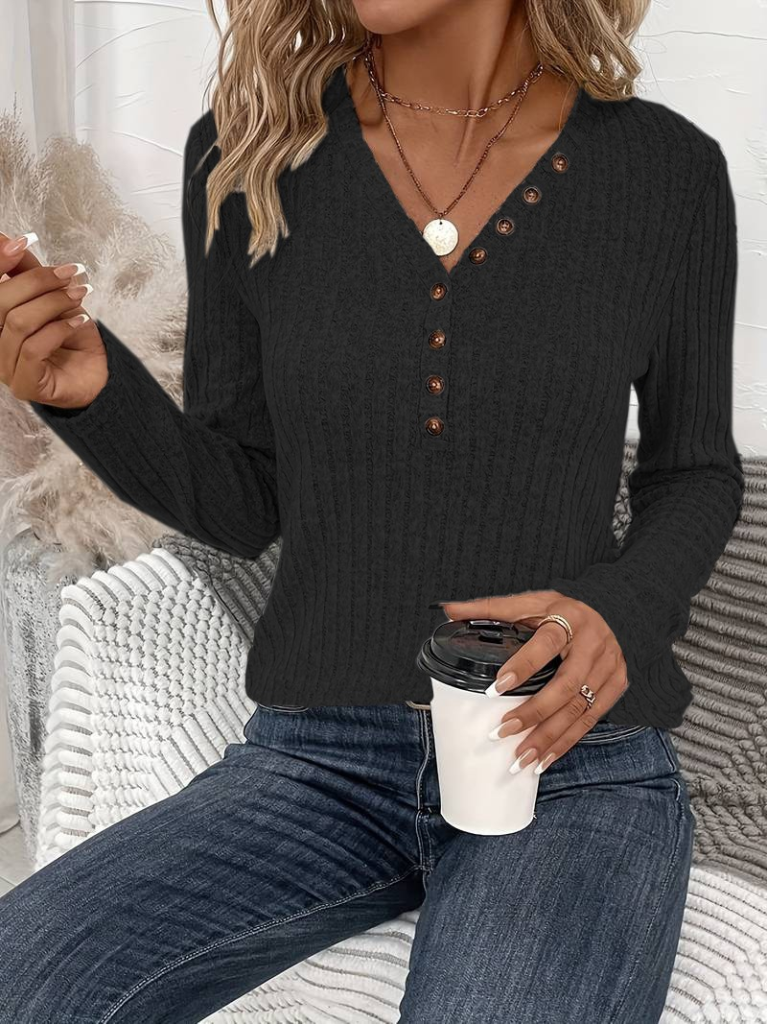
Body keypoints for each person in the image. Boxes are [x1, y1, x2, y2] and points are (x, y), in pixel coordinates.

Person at [0, 0, 744, 1021]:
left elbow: (693, 472)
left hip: (569, 759)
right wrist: (91, 392)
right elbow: (244, 500)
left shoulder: (664, 170)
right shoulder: (246, 157)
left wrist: (619, 607)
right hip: (318, 759)